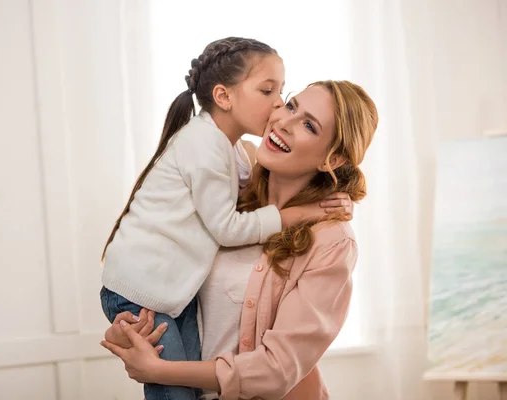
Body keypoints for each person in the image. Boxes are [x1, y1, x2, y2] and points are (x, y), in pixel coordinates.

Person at [101, 80, 378, 400]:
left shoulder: (331, 242)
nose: (284, 122)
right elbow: (180, 312)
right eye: (291, 106)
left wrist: (160, 371)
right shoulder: (226, 202)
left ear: (332, 160)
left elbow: (276, 370)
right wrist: (129, 332)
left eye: (308, 125)